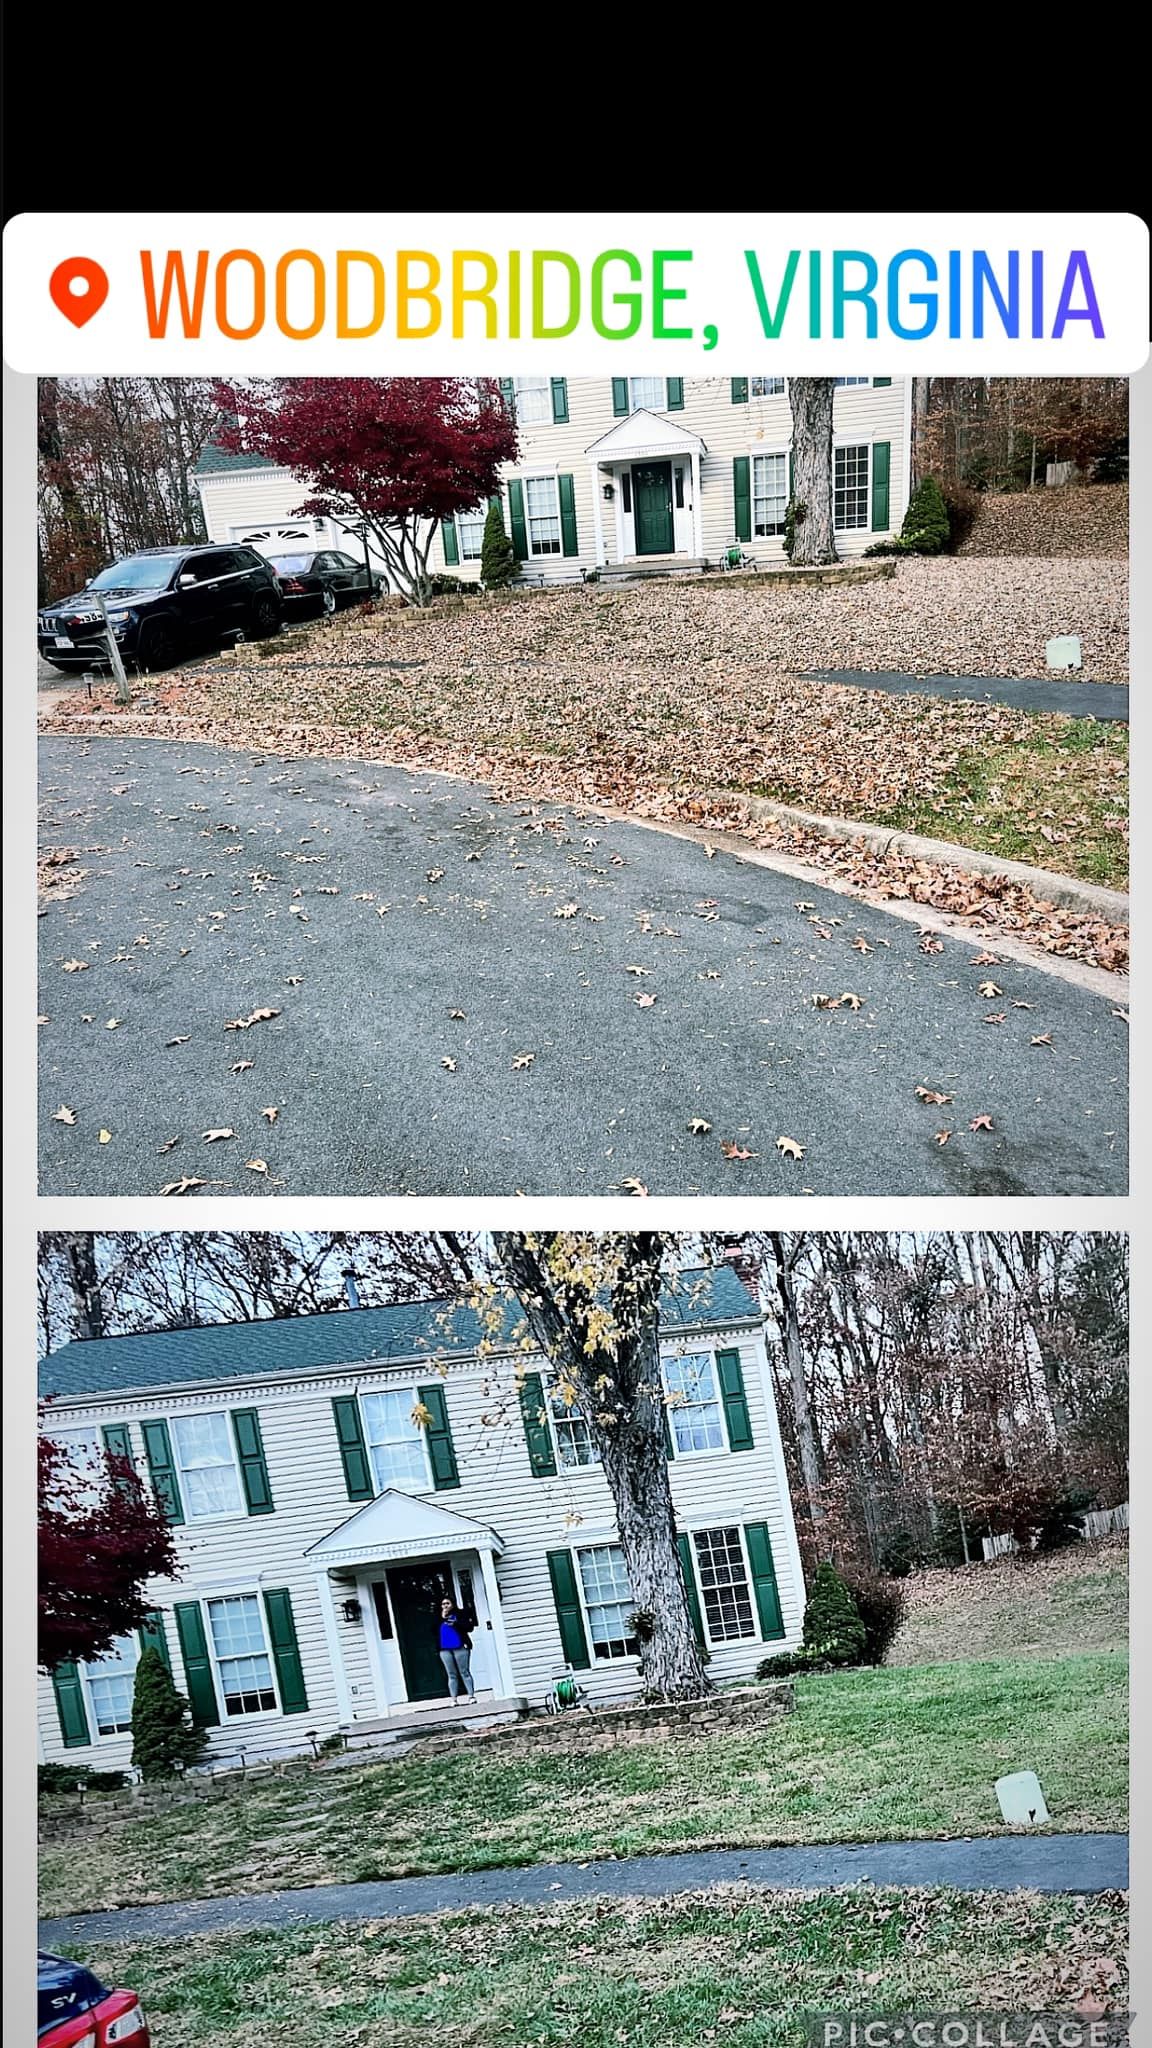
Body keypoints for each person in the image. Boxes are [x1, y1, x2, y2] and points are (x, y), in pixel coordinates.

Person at [438, 1596, 475, 1702]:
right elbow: (433, 1630)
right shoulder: (438, 1617)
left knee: (464, 1672)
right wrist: (442, 1617)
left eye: (447, 1603)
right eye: (443, 1604)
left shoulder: (460, 1614)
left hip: (460, 1647)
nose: (445, 1606)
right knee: (451, 1674)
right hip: (445, 1649)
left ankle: (471, 1696)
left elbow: (469, 1627)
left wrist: (455, 1622)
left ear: (452, 1604)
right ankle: (454, 1699)